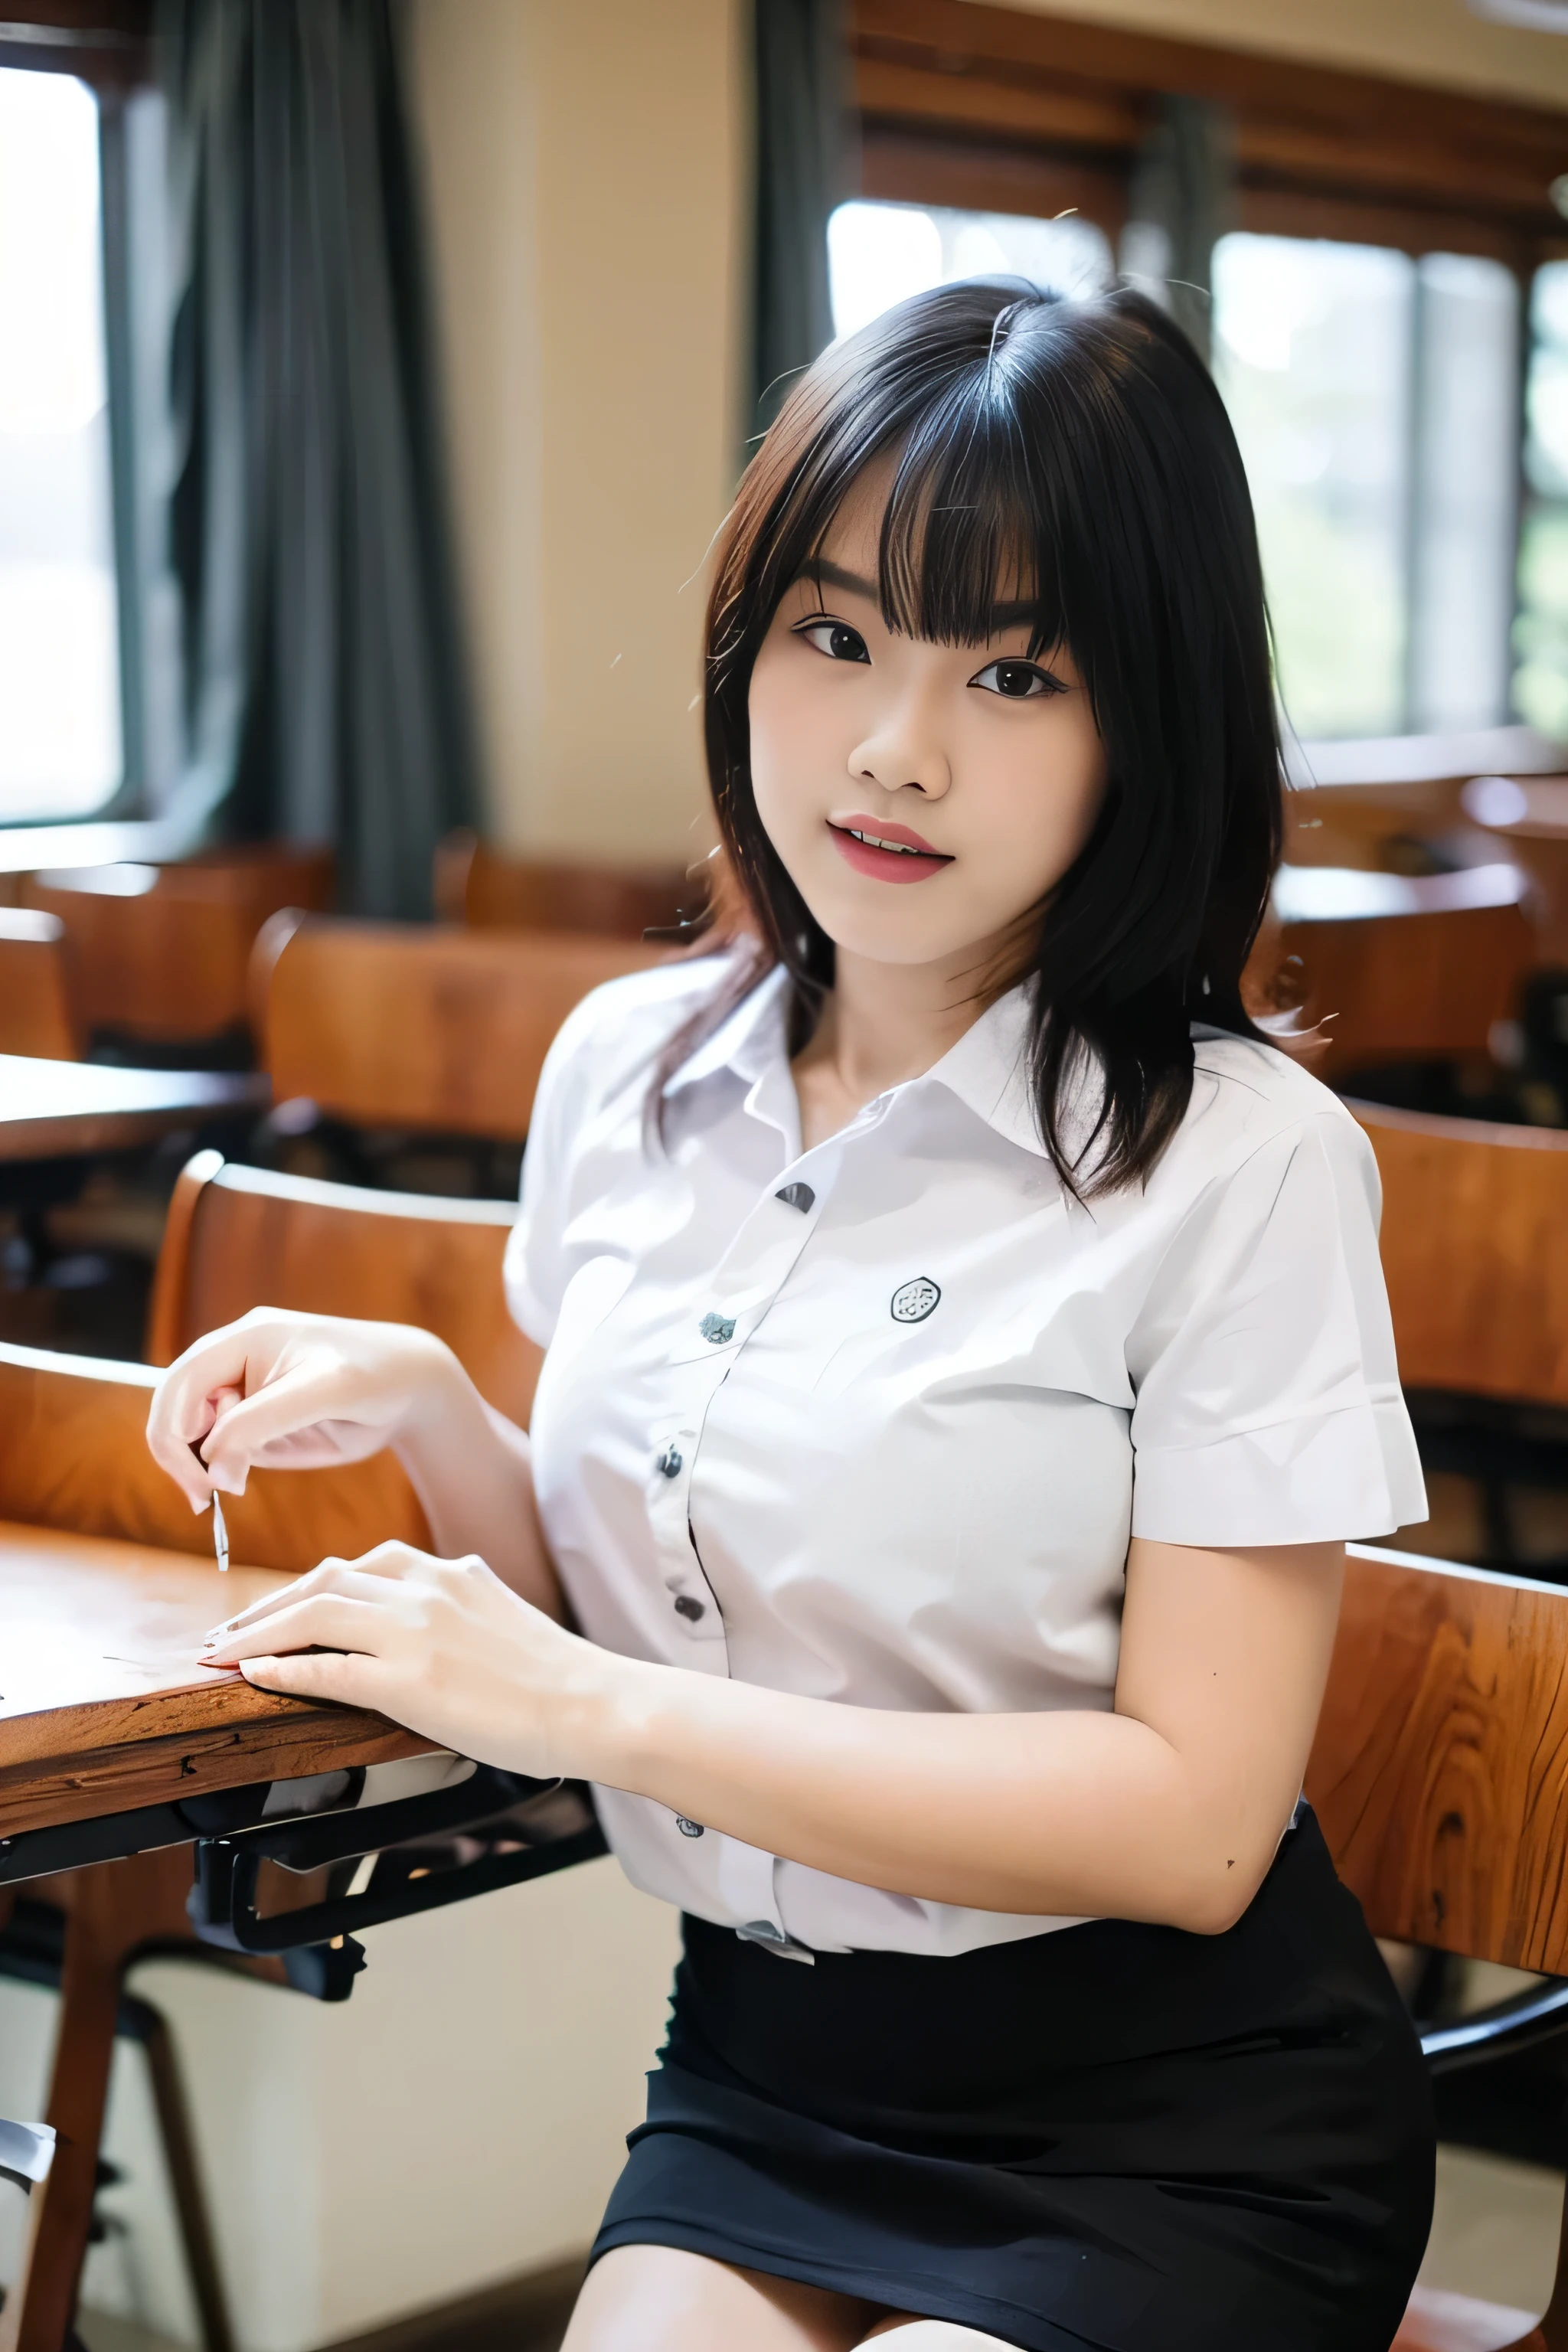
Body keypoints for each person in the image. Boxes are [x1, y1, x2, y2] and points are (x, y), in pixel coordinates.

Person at [149, 281, 1436, 2352]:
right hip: (770, 2074)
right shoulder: (632, 1068)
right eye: (837, 636)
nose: (895, 750)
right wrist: (428, 1415)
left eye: (1014, 672)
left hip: (1183, 2120)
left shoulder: (1247, 1159)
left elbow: (1194, 1827)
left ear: (1152, 720)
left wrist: (577, 1717)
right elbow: (631, 1598)